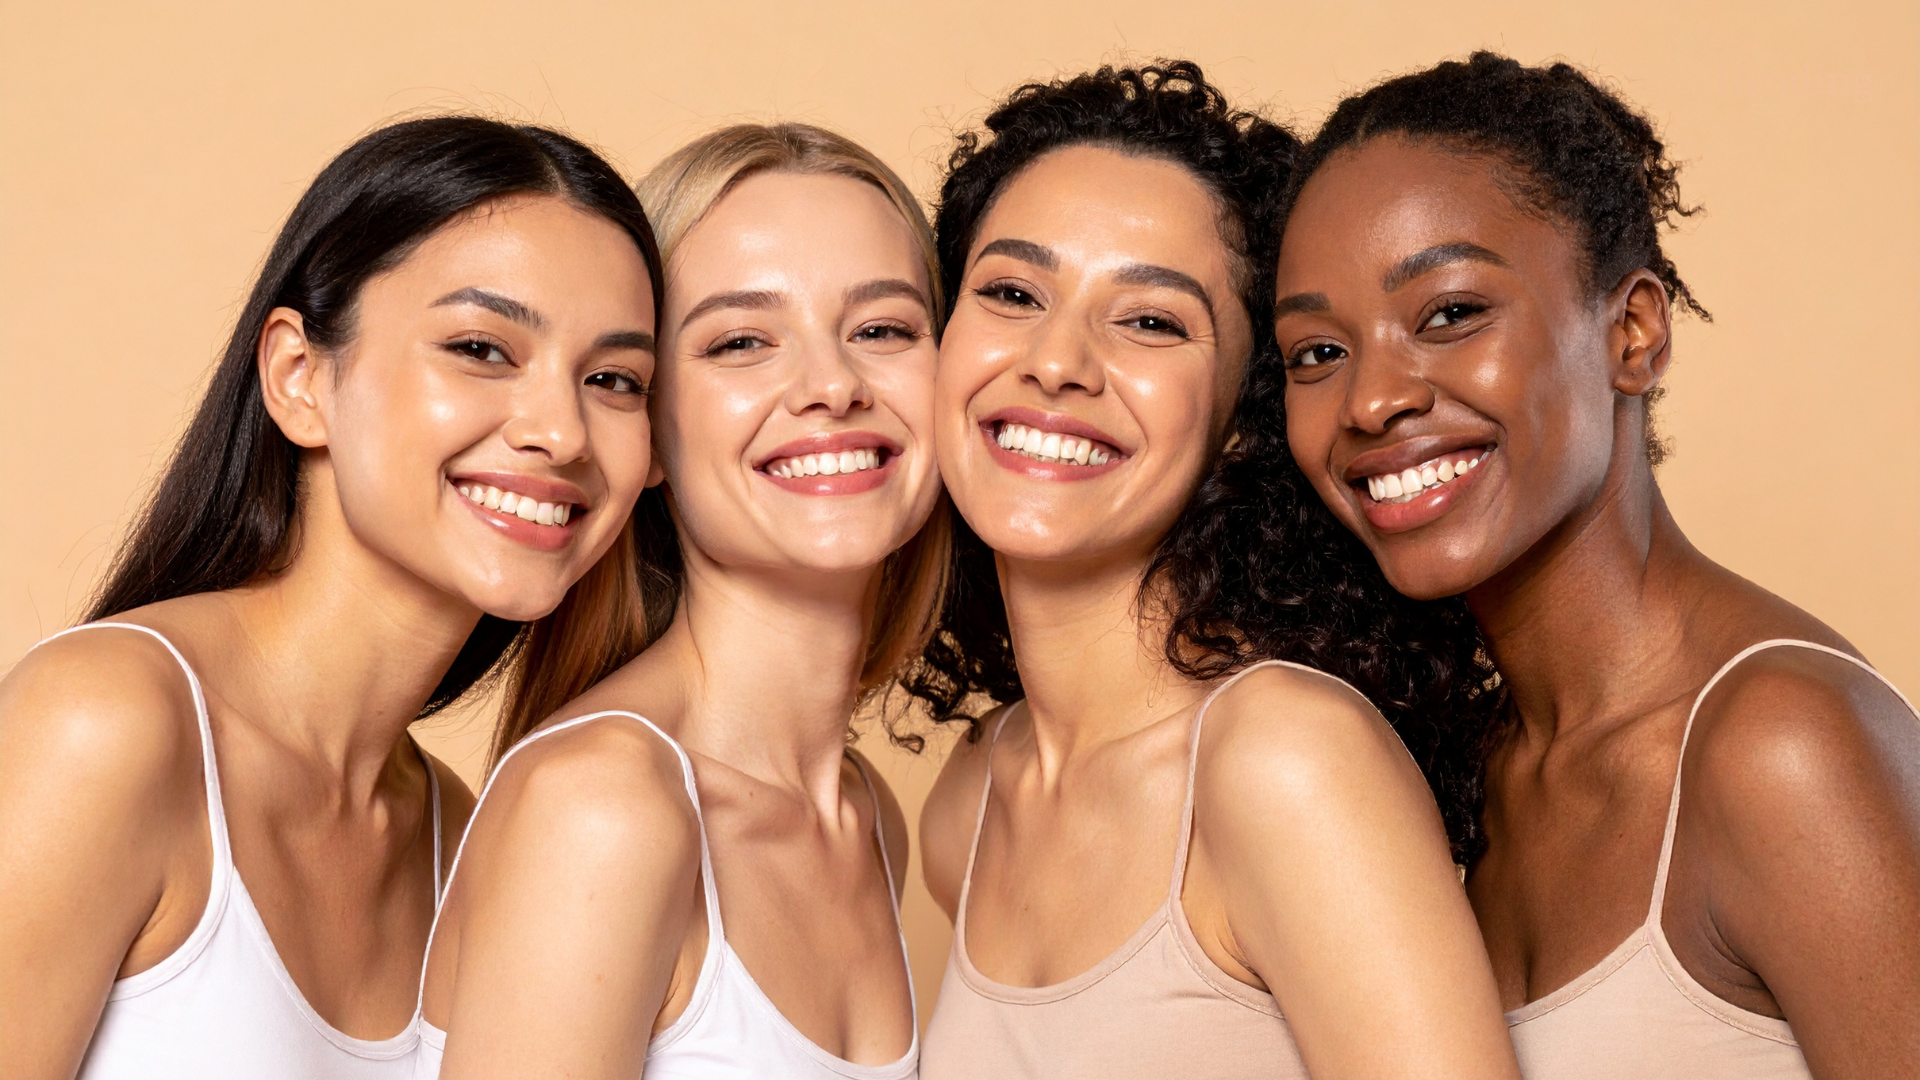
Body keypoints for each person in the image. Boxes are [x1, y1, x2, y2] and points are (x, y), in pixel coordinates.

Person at [1272, 52, 1920, 1079]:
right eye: (1317, 353)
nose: (1369, 401)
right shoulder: (1463, 767)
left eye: (1448, 314)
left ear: (1633, 332)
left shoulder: (1782, 748)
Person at [0, 116, 663, 1079]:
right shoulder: (106, 724)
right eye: (482, 348)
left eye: (612, 379)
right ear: (299, 377)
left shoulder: (457, 835)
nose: (561, 431)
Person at [906, 62, 1521, 1079]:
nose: (1056, 360)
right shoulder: (973, 801)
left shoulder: (1284, 761)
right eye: (1012, 292)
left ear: (1244, 420)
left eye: (1152, 320)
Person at [417, 123, 945, 1080]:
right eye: (742, 341)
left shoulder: (864, 818)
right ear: (647, 428)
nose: (831, 385)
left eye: (883, 330)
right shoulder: (604, 808)